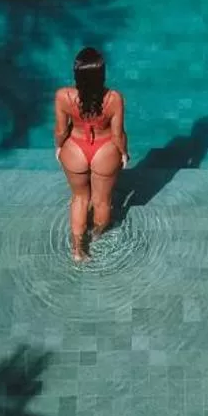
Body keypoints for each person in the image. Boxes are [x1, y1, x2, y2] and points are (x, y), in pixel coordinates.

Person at [54, 46, 127, 261]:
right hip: (105, 151)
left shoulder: (63, 96)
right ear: (102, 74)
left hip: (75, 149)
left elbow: (60, 130)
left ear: (76, 73)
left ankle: (78, 251)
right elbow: (118, 134)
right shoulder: (114, 98)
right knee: (102, 200)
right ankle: (96, 235)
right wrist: (124, 153)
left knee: (79, 198)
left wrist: (59, 147)